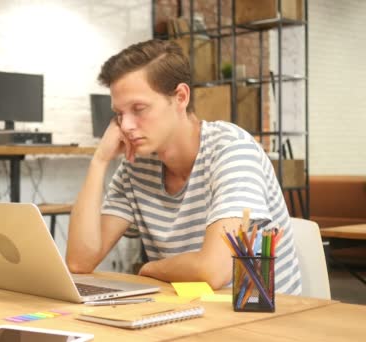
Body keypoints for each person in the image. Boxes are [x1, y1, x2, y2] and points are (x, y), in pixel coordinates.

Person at [66, 39, 302, 294]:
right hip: (190, 311)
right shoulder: (137, 166)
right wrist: (99, 160)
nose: (126, 126)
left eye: (139, 109)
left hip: (263, 320)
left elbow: (212, 271)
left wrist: (151, 268)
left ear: (180, 97)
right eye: (119, 114)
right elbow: (80, 261)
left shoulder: (232, 150)